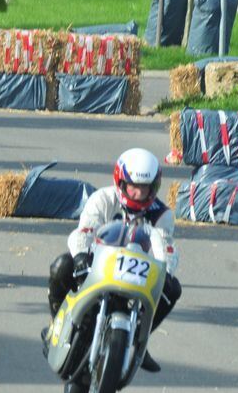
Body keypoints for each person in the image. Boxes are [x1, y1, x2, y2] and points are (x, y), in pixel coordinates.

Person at [45, 148, 181, 373]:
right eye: (133, 186)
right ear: (121, 181)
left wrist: (167, 271)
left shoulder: (162, 215)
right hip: (97, 266)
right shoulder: (103, 199)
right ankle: (56, 325)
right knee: (62, 266)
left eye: (144, 188)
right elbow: (84, 231)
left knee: (172, 289)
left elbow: (164, 246)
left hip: (138, 276)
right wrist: (80, 256)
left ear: (153, 187)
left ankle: (139, 338)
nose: (137, 193)